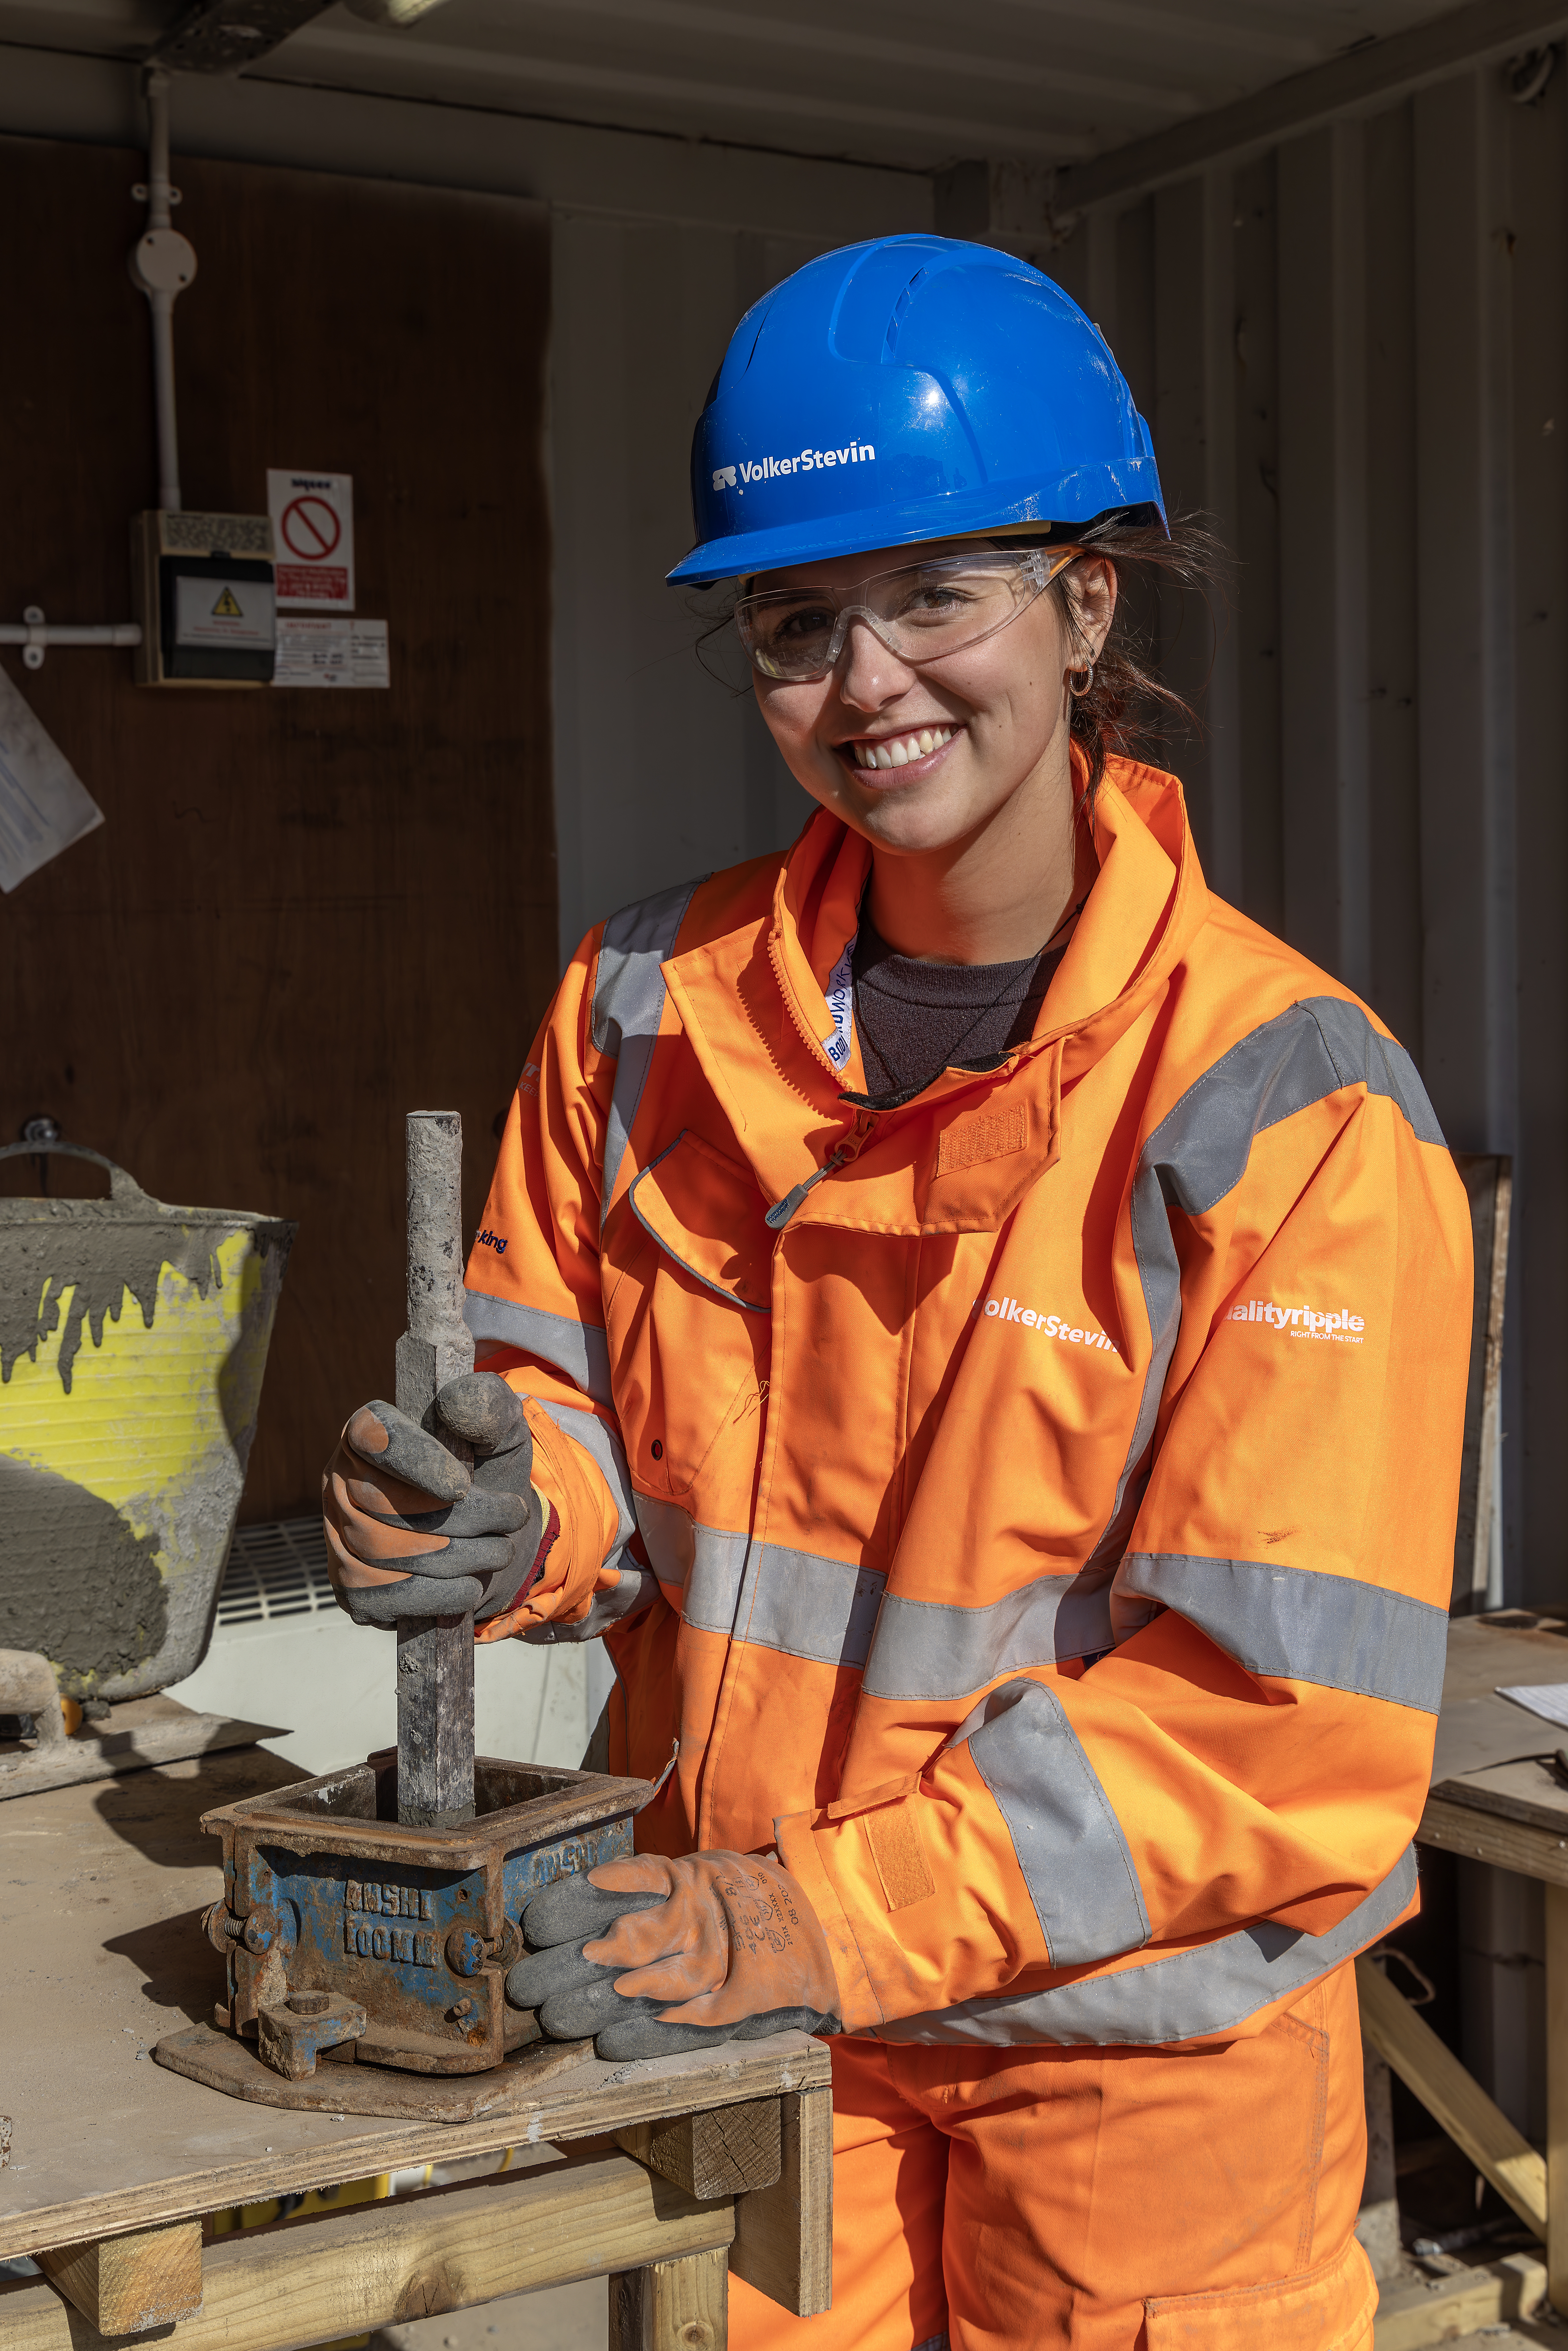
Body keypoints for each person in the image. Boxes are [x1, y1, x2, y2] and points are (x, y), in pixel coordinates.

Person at [324, 236, 1472, 2350]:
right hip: (771, 2035)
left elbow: (1273, 1726)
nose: (868, 684)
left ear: (1088, 598)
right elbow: (564, 1405)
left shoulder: (1280, 1105)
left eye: (937, 592)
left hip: (1136, 2070)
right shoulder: (641, 1011)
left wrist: (809, 1912)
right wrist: (511, 1513)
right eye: (792, 621)